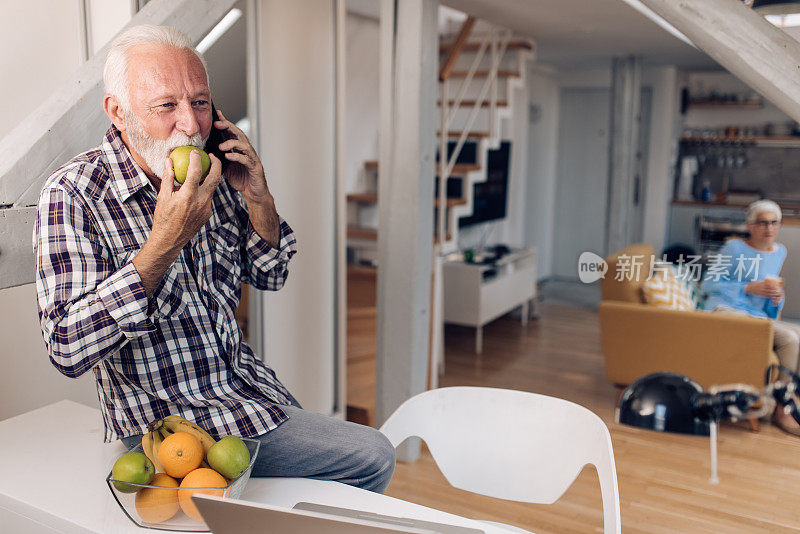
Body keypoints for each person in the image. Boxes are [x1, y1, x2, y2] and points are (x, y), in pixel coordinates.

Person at [33, 25, 395, 492]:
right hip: (168, 430)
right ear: (118, 112)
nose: (190, 124)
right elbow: (66, 347)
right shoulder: (74, 193)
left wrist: (258, 197)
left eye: (200, 102)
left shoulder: (213, 173)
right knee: (371, 457)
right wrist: (164, 242)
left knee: (322, 495)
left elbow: (272, 274)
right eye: (167, 105)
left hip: (250, 393)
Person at [702, 199, 800, 436]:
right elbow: (708, 284)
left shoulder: (780, 252)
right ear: (749, 225)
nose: (769, 228)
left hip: (756, 316)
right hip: (725, 310)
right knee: (789, 338)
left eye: (774, 223)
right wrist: (747, 288)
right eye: (762, 222)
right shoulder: (733, 249)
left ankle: (787, 403)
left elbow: (767, 301)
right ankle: (781, 412)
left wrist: (777, 298)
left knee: (796, 335)